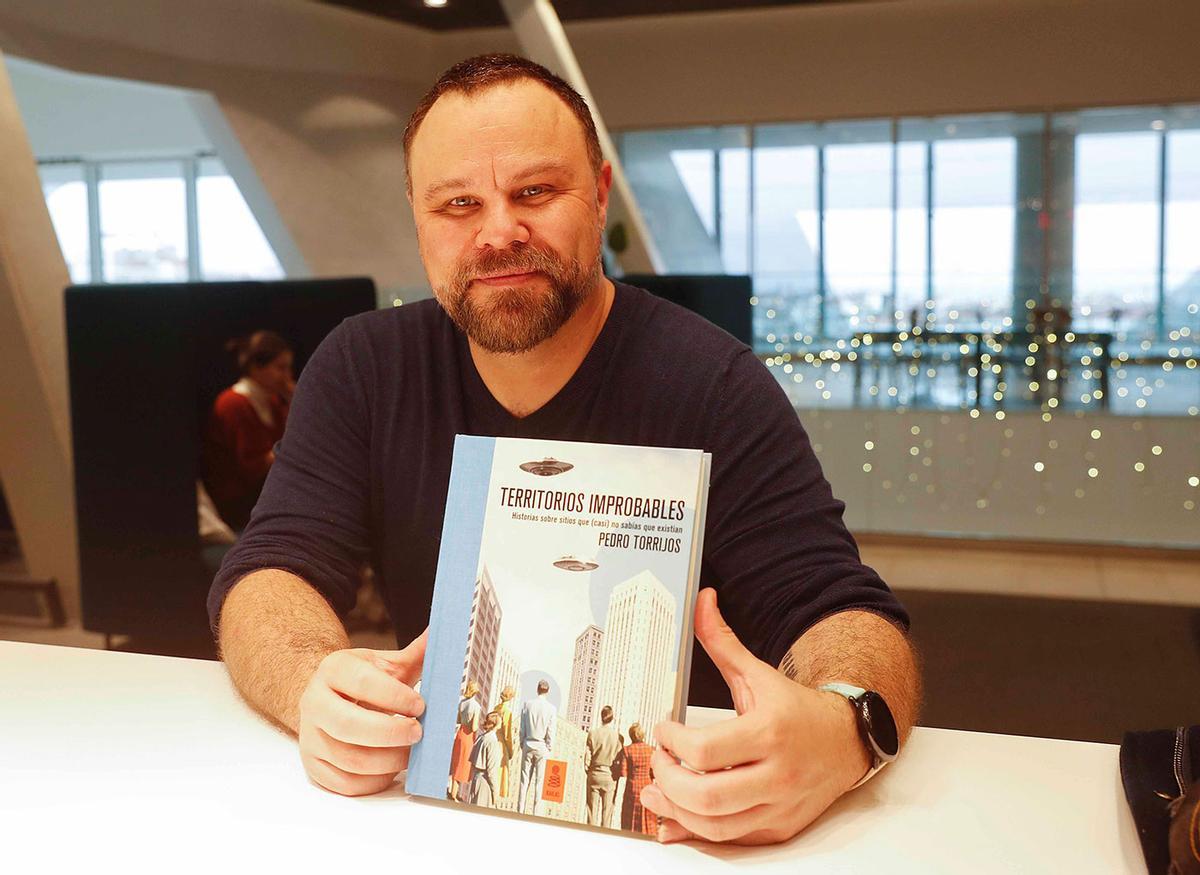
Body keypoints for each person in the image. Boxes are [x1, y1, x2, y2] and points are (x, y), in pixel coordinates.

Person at [209, 53, 921, 846]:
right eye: (458, 203)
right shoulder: (364, 366)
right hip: (442, 826)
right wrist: (311, 682)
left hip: (689, 829)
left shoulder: (711, 381)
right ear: (417, 216)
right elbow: (270, 569)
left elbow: (841, 610)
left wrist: (845, 726)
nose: (498, 232)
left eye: (535, 192)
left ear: (601, 195)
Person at [202, 330, 294, 530]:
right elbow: (249, 468)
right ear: (255, 367)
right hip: (239, 503)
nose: (288, 376)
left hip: (262, 495)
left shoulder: (273, 402)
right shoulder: (232, 403)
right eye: (281, 368)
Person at [517, 679, 556, 816]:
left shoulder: (527, 704)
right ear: (548, 691)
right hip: (541, 746)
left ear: (537, 689)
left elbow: (522, 727)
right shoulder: (551, 709)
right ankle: (536, 813)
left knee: (524, 779)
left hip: (528, 742)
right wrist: (549, 747)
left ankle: (520, 810)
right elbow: (551, 730)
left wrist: (522, 742)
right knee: (539, 782)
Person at [584, 705, 622, 828]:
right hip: (609, 776)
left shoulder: (592, 733)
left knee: (591, 813)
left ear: (601, 717)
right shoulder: (618, 737)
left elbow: (587, 758)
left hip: (594, 774)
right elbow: (619, 760)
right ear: (612, 718)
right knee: (607, 815)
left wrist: (589, 771)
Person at [619, 723, 656, 836]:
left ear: (631, 736)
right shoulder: (651, 750)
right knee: (646, 817)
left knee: (630, 818)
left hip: (632, 789)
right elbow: (654, 773)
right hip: (647, 787)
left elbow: (623, 772)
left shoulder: (627, 750)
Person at [448, 679, 481, 802]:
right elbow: (474, 727)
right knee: (462, 766)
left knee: (456, 763)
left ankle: (453, 792)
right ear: (475, 692)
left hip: (460, 734)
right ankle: (454, 795)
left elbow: (457, 720)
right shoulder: (476, 706)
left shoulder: (462, 702)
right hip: (468, 737)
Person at [467, 711, 502, 807]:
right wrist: (495, 793)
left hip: (476, 778)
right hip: (485, 783)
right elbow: (492, 771)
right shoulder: (492, 742)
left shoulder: (481, 737)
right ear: (496, 724)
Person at [490, 686, 517, 799]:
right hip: (501, 744)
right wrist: (510, 751)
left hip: (493, 739)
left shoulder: (496, 708)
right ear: (510, 697)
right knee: (500, 773)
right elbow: (507, 734)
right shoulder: (507, 712)